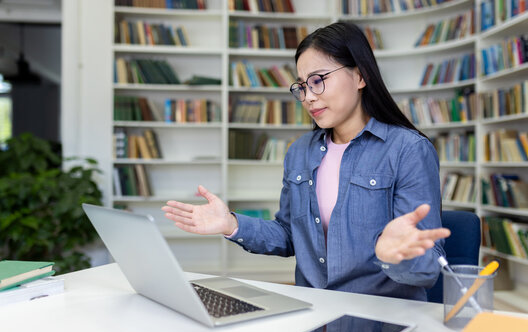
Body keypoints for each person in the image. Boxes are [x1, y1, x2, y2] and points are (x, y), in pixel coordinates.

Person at [162, 22, 450, 301]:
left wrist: (395, 256)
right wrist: (231, 224)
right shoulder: (300, 152)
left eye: (318, 81)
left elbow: (429, 270)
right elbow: (289, 236)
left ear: (360, 76)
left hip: (382, 317)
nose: (308, 97)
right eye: (302, 86)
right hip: (314, 311)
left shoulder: (408, 150)